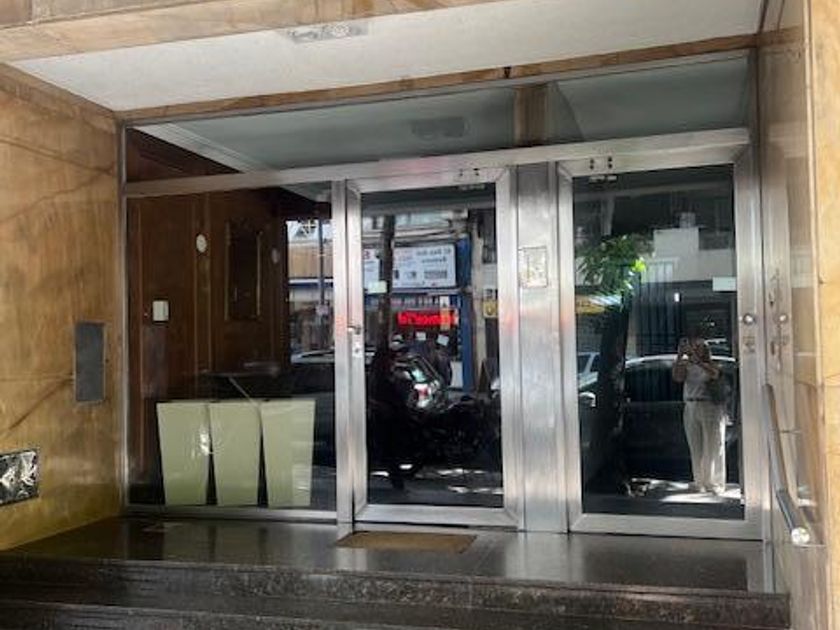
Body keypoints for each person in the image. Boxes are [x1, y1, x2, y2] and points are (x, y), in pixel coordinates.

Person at [672, 336, 726, 494]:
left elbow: (714, 374)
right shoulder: (686, 365)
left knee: (713, 445)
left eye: (698, 347)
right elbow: (677, 377)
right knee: (696, 446)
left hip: (709, 405)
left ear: (705, 350)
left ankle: (714, 482)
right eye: (693, 346)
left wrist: (698, 361)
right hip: (691, 405)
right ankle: (700, 481)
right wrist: (679, 356)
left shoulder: (712, 364)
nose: (694, 349)